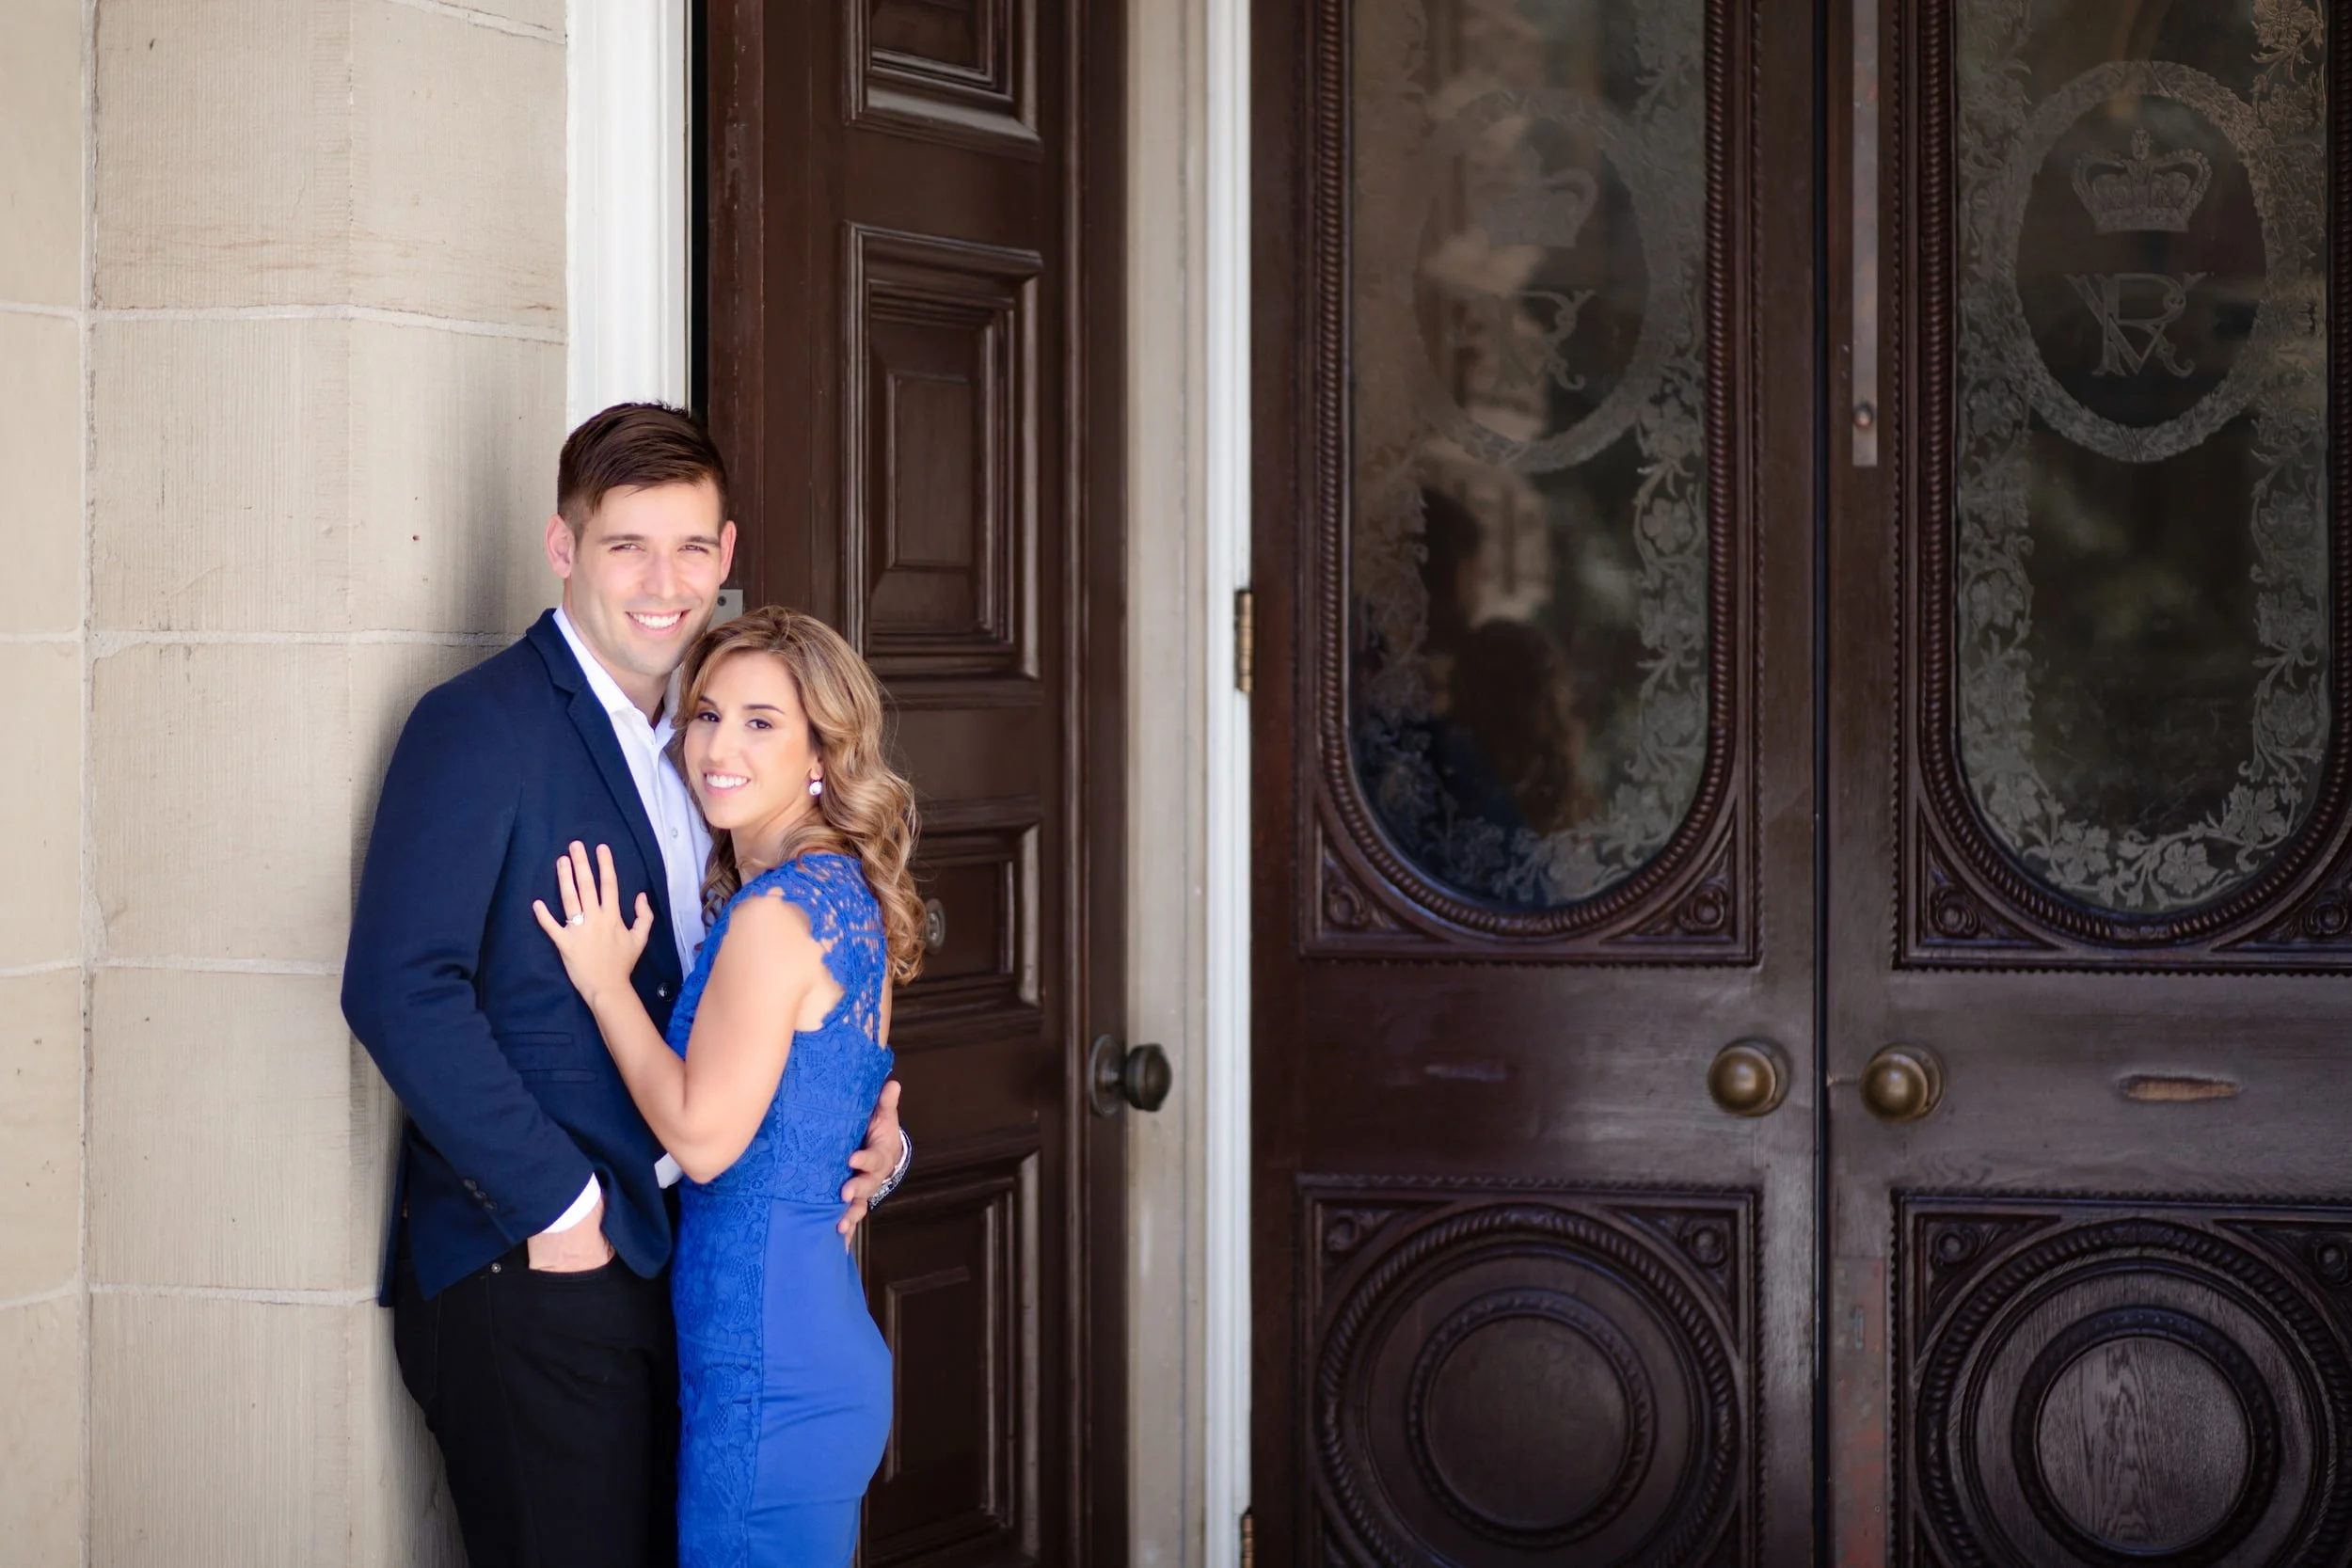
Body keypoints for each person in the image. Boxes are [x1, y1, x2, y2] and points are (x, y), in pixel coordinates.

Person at [341, 404, 911, 1568]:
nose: (665, 582)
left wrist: (862, 1136)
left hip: (685, 1280)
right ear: (564, 548)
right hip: (537, 1271)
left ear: (727, 554)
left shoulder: (708, 752)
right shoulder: (478, 726)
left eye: (692, 548)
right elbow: (401, 987)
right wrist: (560, 1207)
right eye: (626, 546)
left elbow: (776, 1002)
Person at [533, 607, 917, 1566]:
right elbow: (844, 1108)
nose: (716, 746)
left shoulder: (778, 912)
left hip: (768, 1366)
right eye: (705, 714)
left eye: (760, 721)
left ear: (823, 752)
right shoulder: (843, 892)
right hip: (808, 1340)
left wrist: (604, 982)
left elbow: (704, 1138)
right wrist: (891, 1156)